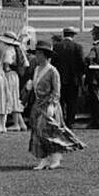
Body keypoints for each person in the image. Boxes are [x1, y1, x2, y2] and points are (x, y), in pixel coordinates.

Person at [27, 39, 86, 170]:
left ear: (45, 55)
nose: (36, 56)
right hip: (38, 105)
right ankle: (43, 158)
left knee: (50, 132)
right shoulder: (37, 69)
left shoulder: (53, 71)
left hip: (49, 106)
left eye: (39, 54)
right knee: (38, 132)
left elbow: (56, 90)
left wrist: (52, 105)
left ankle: (54, 158)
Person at [52, 26, 87, 127]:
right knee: (72, 102)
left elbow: (54, 63)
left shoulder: (57, 47)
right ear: (73, 35)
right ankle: (70, 122)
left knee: (61, 101)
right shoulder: (77, 47)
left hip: (60, 78)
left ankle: (61, 120)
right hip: (73, 79)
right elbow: (81, 64)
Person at [0, 33, 28, 132]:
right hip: (15, 75)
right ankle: (21, 123)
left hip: (9, 75)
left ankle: (16, 124)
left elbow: (6, 66)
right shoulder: (17, 49)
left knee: (11, 98)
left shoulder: (8, 51)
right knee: (15, 97)